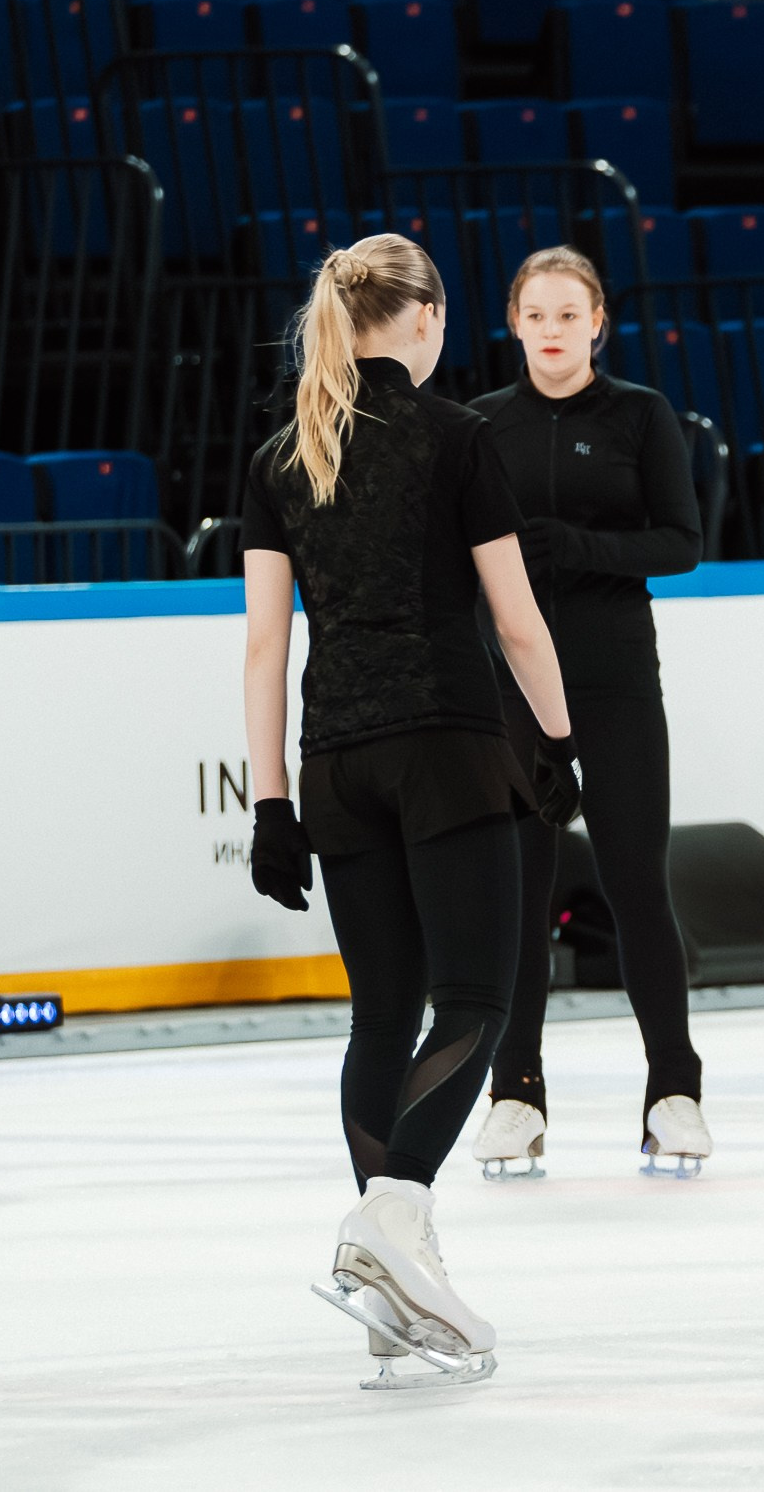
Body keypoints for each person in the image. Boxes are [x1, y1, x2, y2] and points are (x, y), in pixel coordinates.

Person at [241, 234, 583, 1386]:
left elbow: (261, 651)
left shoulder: (286, 452)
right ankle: (389, 1220)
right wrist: (559, 740)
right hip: (443, 743)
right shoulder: (457, 437)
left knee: (381, 1015)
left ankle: (393, 1297)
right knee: (478, 1000)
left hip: (333, 758)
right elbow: (520, 622)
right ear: (428, 317)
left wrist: (271, 801)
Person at [463, 247, 712, 1182]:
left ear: (598, 320)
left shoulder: (641, 416)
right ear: (516, 322)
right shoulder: (481, 425)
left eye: (572, 314)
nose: (555, 330)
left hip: (613, 685)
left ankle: (673, 1091)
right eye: (539, 314)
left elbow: (681, 542)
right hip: (511, 695)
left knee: (637, 882)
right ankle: (515, 1096)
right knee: (518, 896)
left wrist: (577, 546)